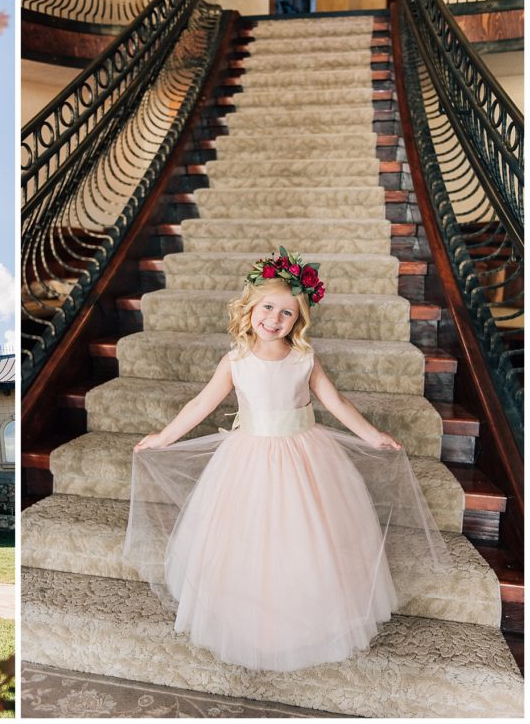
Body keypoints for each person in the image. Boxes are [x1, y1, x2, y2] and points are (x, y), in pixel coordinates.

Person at [122, 247, 447, 672]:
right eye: (268, 307)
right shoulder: (236, 360)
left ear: (299, 321)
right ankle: (249, 625)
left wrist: (372, 435)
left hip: (306, 456)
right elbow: (201, 404)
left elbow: (337, 403)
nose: (274, 319)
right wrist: (164, 437)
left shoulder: (304, 359)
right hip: (248, 460)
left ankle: (309, 621)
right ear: (251, 306)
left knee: (308, 541)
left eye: (287, 314)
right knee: (247, 544)